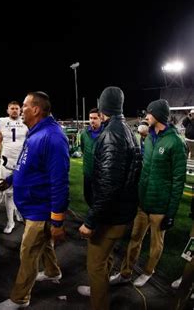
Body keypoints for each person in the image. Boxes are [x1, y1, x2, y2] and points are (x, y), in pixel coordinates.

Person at [0, 92, 69, 310]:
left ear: (36, 109)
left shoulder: (53, 137)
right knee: (44, 244)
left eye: (25, 105)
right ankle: (53, 271)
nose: (21, 109)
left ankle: (20, 298)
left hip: (41, 208)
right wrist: (10, 179)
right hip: (33, 206)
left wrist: (57, 221)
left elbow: (60, 182)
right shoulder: (36, 132)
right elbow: (27, 165)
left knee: (27, 252)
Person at [77, 86, 142, 310]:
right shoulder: (125, 129)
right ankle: (100, 288)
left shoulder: (112, 133)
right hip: (121, 211)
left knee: (95, 265)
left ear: (104, 108)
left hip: (111, 215)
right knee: (104, 259)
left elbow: (108, 186)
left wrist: (90, 220)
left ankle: (99, 300)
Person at [109, 99, 186, 287]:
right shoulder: (149, 137)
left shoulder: (175, 142)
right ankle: (126, 272)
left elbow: (178, 181)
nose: (145, 117)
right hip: (143, 204)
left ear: (158, 115)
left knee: (155, 244)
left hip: (160, 206)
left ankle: (148, 272)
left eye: (149, 114)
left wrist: (171, 212)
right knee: (134, 238)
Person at [0, 101, 27, 234]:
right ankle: (10, 222)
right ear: (7, 110)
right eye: (12, 108)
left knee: (21, 192)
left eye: (16, 108)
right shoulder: (1, 122)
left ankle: (18, 211)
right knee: (8, 193)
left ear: (20, 110)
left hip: (22, 163)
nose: (14, 110)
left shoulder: (26, 122)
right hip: (6, 163)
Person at [80, 108, 103, 207]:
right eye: (90, 118)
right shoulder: (85, 133)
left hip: (101, 173)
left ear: (100, 118)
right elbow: (83, 148)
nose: (92, 120)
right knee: (88, 196)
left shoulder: (106, 132)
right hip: (88, 172)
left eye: (95, 118)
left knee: (100, 198)